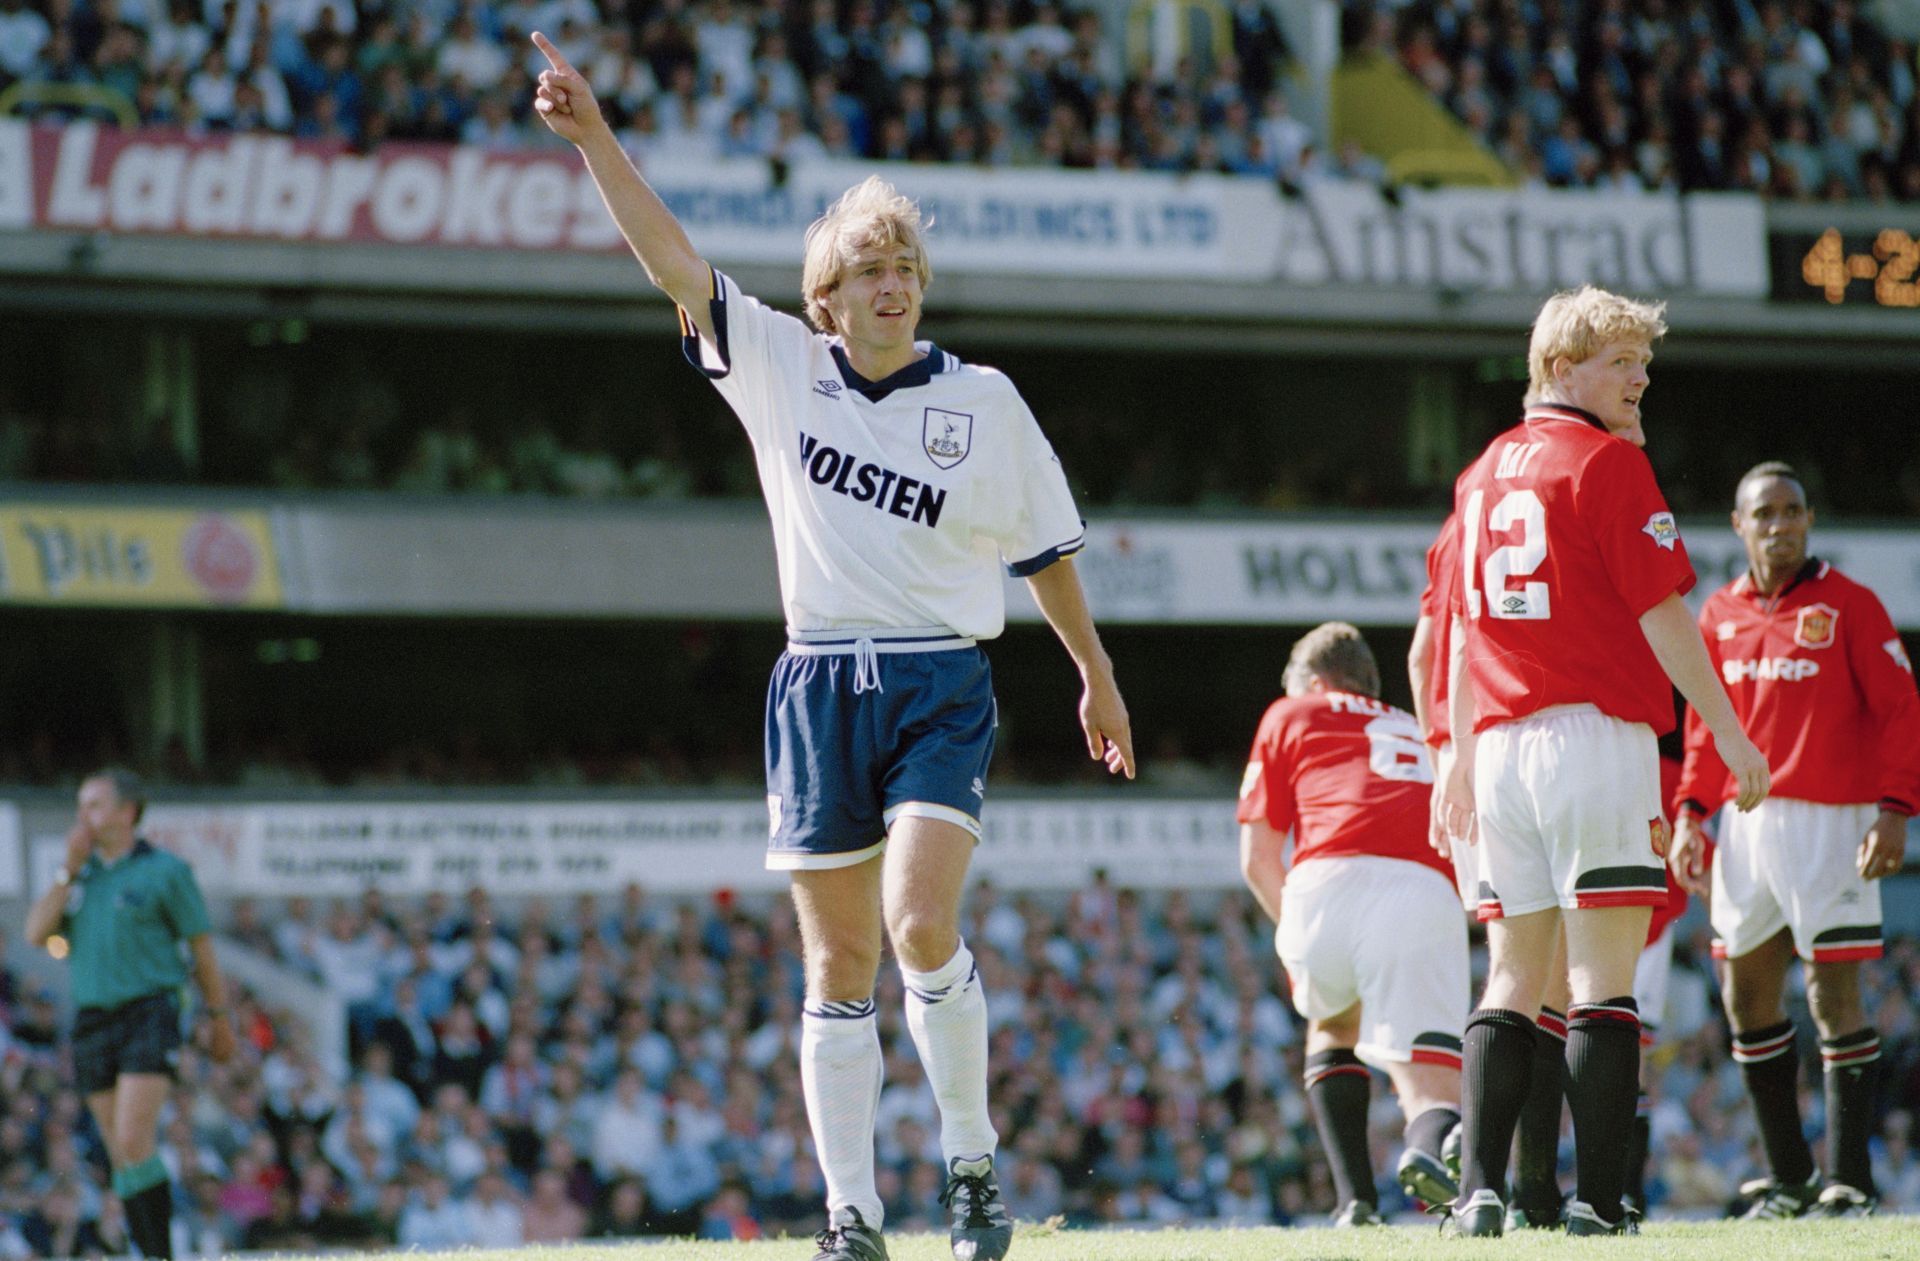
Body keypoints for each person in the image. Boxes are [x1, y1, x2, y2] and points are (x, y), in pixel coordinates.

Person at [528, 32, 1135, 1261]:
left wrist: (1096, 674)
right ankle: (850, 1214)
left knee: (920, 923)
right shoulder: (779, 367)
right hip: (815, 684)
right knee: (839, 957)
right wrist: (595, 136)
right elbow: (671, 264)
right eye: (868, 267)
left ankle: (973, 1174)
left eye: (905, 262)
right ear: (827, 297)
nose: (892, 279)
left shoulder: (988, 402)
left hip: (938, 679)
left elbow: (1047, 555)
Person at [1434, 286, 1769, 1237]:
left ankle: (1480, 1195)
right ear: (1560, 367)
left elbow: (1460, 633)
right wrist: (1731, 734)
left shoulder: (1481, 472)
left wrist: (1457, 753)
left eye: (1643, 362)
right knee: (1603, 983)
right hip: (1596, 740)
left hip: (1497, 746)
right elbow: (1665, 617)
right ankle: (1598, 1203)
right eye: (1622, 360)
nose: (1640, 378)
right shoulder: (1609, 466)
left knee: (1509, 976)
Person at [1670, 461, 1920, 1219]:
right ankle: (1789, 1178)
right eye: (1764, 513)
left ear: (1809, 520)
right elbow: (1707, 731)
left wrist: (1895, 808)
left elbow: (1901, 709)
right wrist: (1690, 812)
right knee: (1745, 998)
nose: (1780, 525)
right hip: (1746, 825)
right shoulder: (1716, 614)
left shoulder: (1851, 605)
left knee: (1831, 995)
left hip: (1832, 820)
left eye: (1792, 511)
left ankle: (1850, 1180)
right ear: (1738, 525)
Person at [1240, 622, 1465, 1226]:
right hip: (1423, 885)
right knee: (1428, 1078)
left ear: (1312, 682)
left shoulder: (1292, 713)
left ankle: (1354, 1201)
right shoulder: (1416, 727)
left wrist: (1298, 932)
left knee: (1332, 1020)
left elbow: (1257, 857)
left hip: (1325, 882)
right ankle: (1435, 1139)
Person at [23, 768, 237, 1260]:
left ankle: (157, 1255)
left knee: (135, 1138)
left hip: (149, 1010)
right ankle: (149, 1251)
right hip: (93, 1019)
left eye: (95, 805)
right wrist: (66, 870)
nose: (84, 817)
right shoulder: (79, 875)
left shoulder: (166, 871)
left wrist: (220, 1017)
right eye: (81, 806)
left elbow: (201, 950)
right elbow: (36, 934)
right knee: (120, 1151)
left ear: (127, 812)